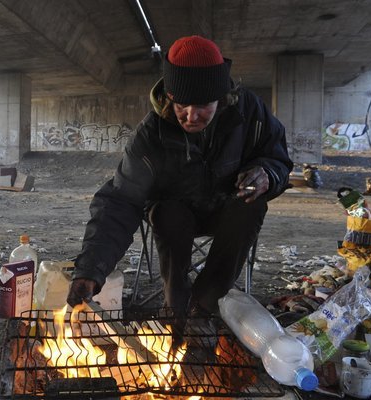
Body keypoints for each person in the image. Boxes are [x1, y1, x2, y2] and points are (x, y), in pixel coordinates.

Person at [66, 36, 293, 320]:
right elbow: (120, 200)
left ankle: (205, 306)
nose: (190, 116)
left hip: (226, 209)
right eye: (181, 105)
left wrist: (267, 174)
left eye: (202, 106)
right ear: (170, 97)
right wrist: (91, 270)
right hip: (174, 216)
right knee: (168, 213)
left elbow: (278, 159)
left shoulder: (250, 113)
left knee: (252, 204)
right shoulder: (151, 134)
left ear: (220, 98)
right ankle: (175, 307)